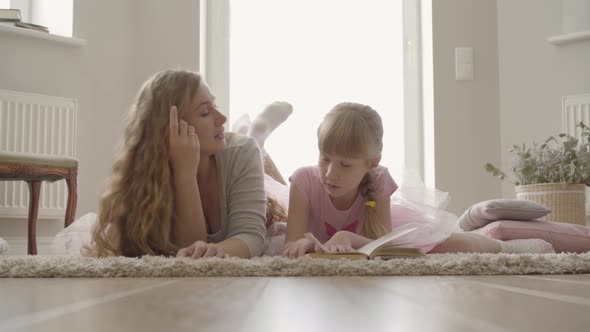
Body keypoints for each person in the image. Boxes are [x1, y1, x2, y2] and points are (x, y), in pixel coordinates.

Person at [283, 102, 555, 258]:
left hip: (388, 233)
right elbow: (290, 246)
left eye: (344, 164)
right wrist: (305, 242)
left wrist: (346, 238)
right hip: (338, 242)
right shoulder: (305, 181)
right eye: (324, 158)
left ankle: (508, 248)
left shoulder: (377, 180)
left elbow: (381, 246)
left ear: (371, 163)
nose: (330, 173)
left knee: (453, 245)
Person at [89, 69, 266, 258]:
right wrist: (185, 173)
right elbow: (186, 253)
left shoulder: (242, 151)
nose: (222, 118)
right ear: (170, 128)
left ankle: (259, 130)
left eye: (215, 105)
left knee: (259, 155)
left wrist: (218, 250)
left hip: (242, 159)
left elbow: (251, 236)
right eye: (205, 112)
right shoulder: (147, 174)